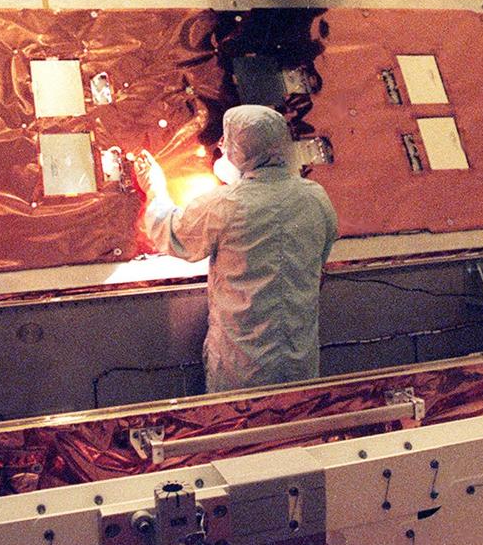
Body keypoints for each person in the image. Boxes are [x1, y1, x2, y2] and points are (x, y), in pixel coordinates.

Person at [133, 104, 338, 394]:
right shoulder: (316, 198)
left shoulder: (226, 204)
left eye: (227, 142)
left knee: (242, 431)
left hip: (242, 366)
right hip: (299, 361)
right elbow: (320, 264)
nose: (222, 149)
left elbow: (172, 234)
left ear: (240, 151)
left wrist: (155, 187)